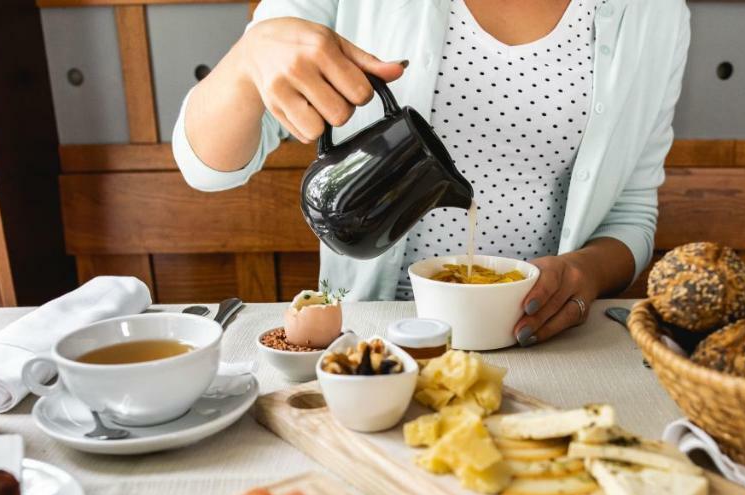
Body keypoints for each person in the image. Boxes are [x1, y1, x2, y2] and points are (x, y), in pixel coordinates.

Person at [174, 0, 690, 346]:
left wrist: (584, 274)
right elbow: (206, 167)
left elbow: (632, 210)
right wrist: (249, 58)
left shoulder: (656, 14)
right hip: (374, 340)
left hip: (540, 345)